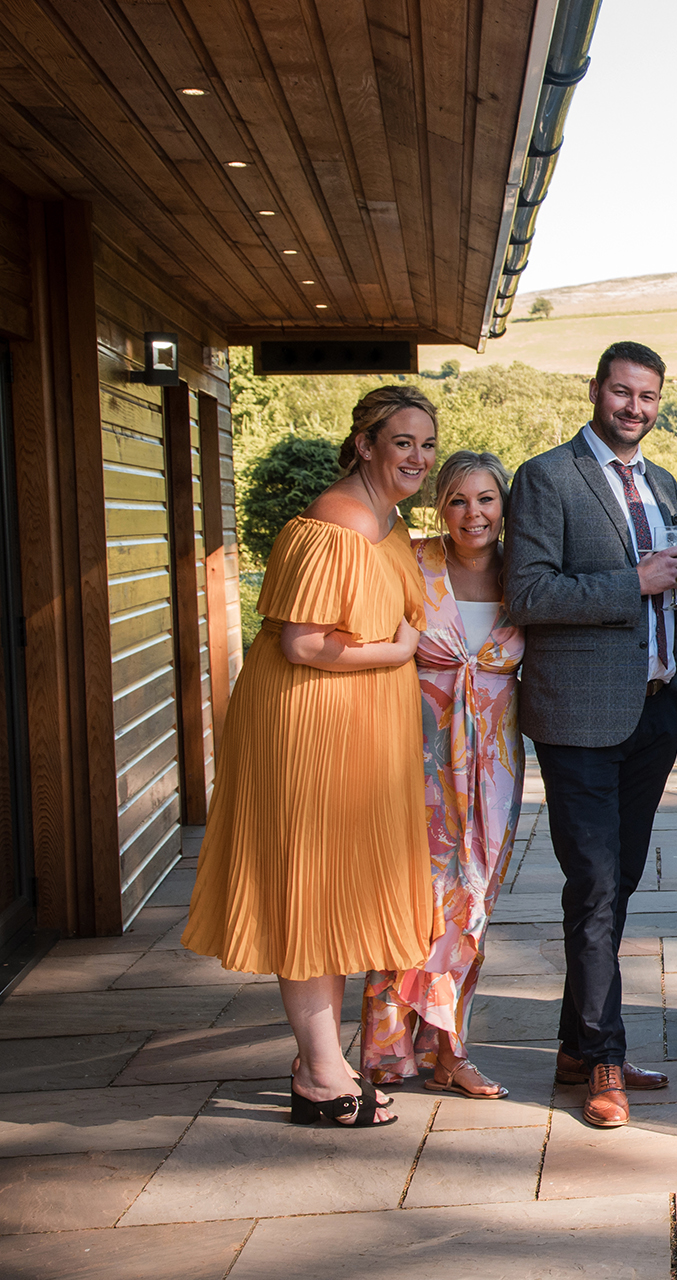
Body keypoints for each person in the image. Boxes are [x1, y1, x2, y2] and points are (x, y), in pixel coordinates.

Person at [183, 385, 438, 1128]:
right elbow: (301, 642)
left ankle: (319, 1061)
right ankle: (322, 1075)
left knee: (334, 892)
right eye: (402, 443)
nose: (418, 457)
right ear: (365, 445)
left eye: (427, 444)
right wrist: (398, 649)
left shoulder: (385, 521)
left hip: (355, 725)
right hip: (312, 724)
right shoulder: (337, 522)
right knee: (312, 890)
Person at [504, 341, 677, 1129]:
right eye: (623, 392)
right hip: (578, 717)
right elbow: (528, 592)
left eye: (648, 397)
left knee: (611, 887)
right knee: (594, 886)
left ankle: (577, 1046)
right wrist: (635, 582)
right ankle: (606, 1058)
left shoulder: (663, 483)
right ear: (597, 391)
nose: (635, 408)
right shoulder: (547, 478)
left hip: (654, 710)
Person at [362, 452, 525, 1099]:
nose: (473, 514)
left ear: (504, 508)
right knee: (405, 904)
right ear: (440, 508)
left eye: (486, 500)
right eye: (458, 500)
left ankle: (450, 1051)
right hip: (414, 765)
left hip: (494, 774)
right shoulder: (412, 561)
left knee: (471, 910)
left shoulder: (524, 575)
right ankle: (384, 1052)